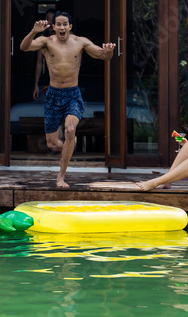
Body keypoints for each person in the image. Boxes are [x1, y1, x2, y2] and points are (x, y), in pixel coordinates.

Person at [19, 11, 116, 188]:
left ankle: (61, 177)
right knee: (53, 144)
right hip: (53, 95)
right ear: (54, 27)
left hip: (72, 94)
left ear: (70, 26)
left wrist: (108, 51)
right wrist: (34, 31)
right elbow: (24, 47)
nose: (62, 27)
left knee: (70, 129)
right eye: (58, 24)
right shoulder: (46, 42)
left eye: (65, 24)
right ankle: (67, 148)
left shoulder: (81, 42)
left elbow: (103, 56)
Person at [32, 8, 57, 101]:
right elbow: (39, 63)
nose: (50, 21)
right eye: (48, 19)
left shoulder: (65, 36)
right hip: (48, 78)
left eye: (53, 18)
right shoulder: (42, 38)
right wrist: (36, 85)